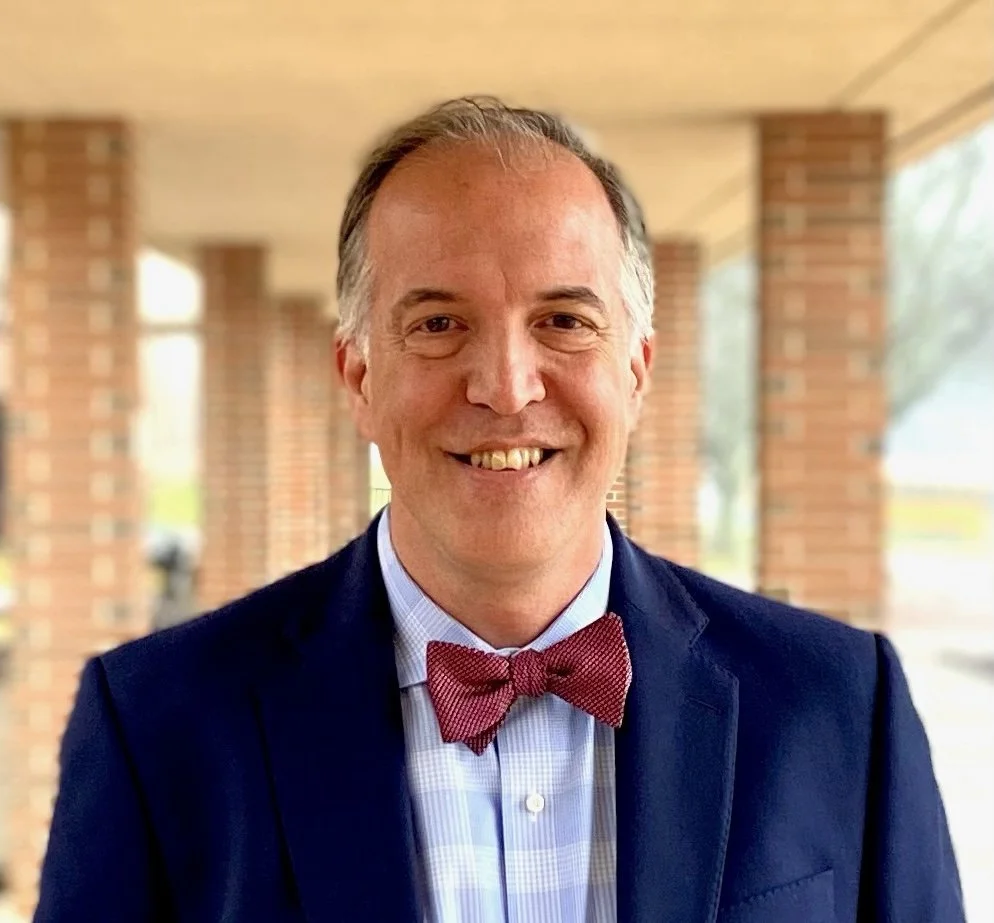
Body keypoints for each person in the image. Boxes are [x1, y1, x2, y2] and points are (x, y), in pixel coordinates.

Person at [35, 97, 964, 923]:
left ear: (635, 370)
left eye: (564, 320)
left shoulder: (840, 704)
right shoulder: (157, 725)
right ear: (358, 375)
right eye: (439, 323)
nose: (507, 386)